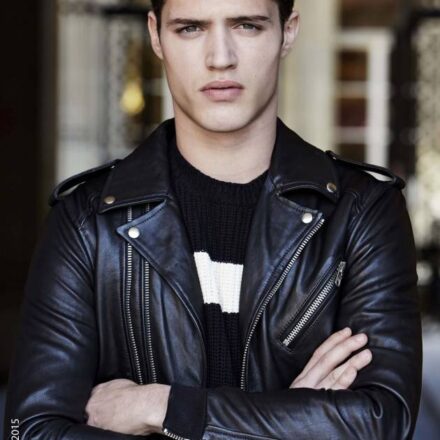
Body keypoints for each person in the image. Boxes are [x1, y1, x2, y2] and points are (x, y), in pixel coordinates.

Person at [4, 0, 422, 439]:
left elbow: (383, 422)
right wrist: (294, 421)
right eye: (190, 28)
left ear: (288, 32)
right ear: (156, 36)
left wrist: (162, 407)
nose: (220, 57)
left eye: (247, 26)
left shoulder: (360, 213)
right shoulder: (89, 221)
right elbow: (28, 431)